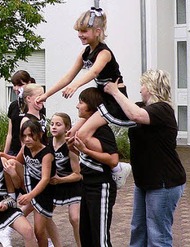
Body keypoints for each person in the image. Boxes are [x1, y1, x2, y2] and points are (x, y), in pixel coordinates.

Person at [35, 8, 132, 189]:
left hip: (113, 98)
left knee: (83, 135)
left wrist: (76, 86)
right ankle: (88, 164)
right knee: (71, 136)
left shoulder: (104, 53)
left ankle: (116, 166)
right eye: (78, 31)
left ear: (98, 31)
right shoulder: (85, 52)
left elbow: (95, 71)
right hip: (100, 97)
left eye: (84, 31)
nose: (80, 35)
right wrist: (46, 95)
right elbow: (68, 76)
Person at [103, 69, 186, 247]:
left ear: (151, 86)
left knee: (158, 235)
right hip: (145, 181)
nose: (140, 89)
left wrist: (115, 92)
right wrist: (115, 92)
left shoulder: (163, 109)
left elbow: (135, 116)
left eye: (142, 85)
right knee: (138, 229)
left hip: (164, 182)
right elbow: (119, 112)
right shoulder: (141, 106)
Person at [69, 88, 119, 247]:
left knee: (100, 238)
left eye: (81, 102)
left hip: (101, 186)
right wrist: (74, 148)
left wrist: (85, 150)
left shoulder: (102, 130)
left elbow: (113, 160)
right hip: (86, 185)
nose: (77, 106)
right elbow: (83, 155)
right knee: (86, 235)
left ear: (91, 105)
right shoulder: (85, 129)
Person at [8, 120, 58, 247]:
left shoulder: (47, 153)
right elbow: (16, 161)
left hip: (45, 191)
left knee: (39, 231)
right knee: (9, 163)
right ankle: (11, 195)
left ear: (40, 134)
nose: (27, 139)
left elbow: (45, 179)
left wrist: (30, 196)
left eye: (31, 135)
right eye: (24, 136)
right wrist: (0, 155)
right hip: (30, 185)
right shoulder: (25, 148)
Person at [48, 112, 82, 247]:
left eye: (58, 124)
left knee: (75, 218)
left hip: (71, 184)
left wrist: (61, 180)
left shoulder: (70, 146)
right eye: (52, 124)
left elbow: (78, 174)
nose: (54, 127)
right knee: (44, 215)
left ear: (67, 128)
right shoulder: (47, 143)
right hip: (53, 184)